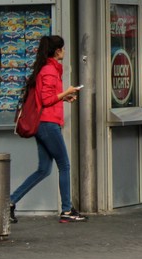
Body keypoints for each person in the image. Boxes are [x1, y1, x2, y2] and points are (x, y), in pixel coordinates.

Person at [9, 35, 87, 224]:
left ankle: (10, 201)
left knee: (44, 169)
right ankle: (67, 210)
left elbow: (49, 97)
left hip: (44, 123)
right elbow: (46, 100)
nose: (65, 52)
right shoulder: (49, 70)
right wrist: (67, 92)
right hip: (47, 124)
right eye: (63, 48)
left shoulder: (47, 69)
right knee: (64, 165)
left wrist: (65, 97)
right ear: (57, 50)